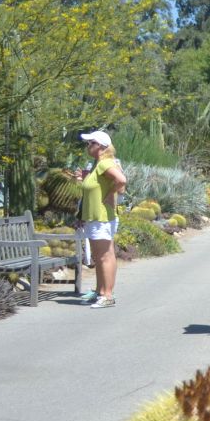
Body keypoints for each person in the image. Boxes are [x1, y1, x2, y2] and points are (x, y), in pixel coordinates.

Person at [77, 130, 127, 309]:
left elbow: (121, 180)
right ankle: (101, 291)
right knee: (102, 256)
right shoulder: (97, 165)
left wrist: (111, 193)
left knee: (104, 256)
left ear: (101, 147)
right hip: (96, 217)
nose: (88, 147)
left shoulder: (105, 163)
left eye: (91, 143)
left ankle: (107, 295)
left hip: (101, 217)